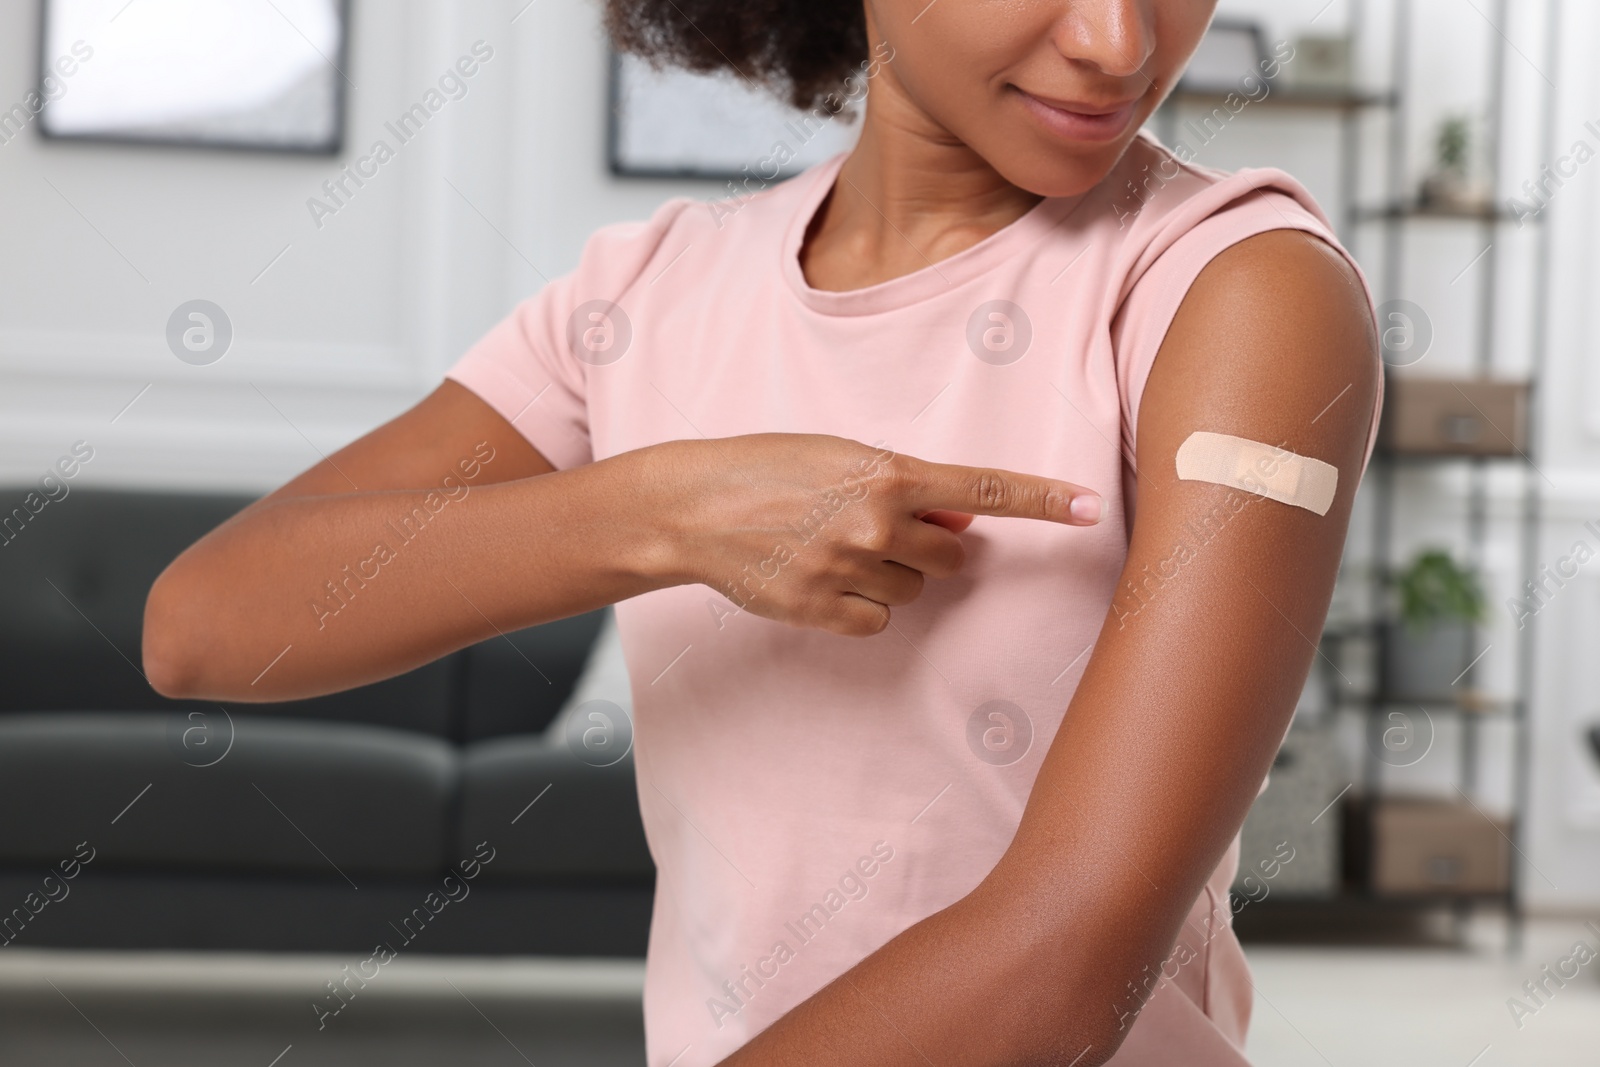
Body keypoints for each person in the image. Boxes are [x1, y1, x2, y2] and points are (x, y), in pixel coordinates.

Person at [143, 2, 1382, 1064]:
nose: (1119, 40)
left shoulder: (1239, 291)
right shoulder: (642, 301)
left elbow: (1066, 954)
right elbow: (202, 627)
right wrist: (661, 507)